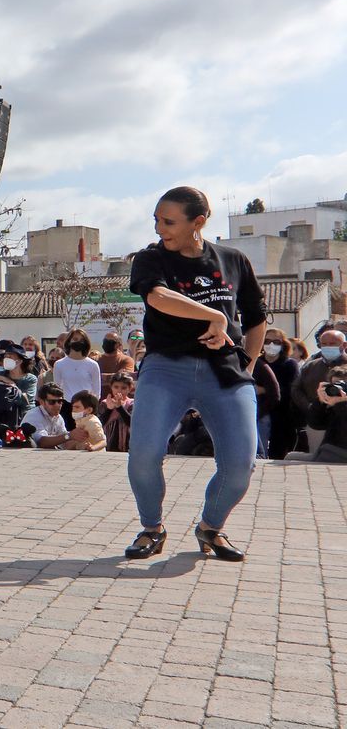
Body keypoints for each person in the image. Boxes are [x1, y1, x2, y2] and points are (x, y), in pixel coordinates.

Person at [124, 186, 265, 563]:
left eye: (168, 221)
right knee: (143, 455)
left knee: (240, 465)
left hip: (226, 373)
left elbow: (256, 319)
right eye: (156, 219)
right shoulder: (150, 258)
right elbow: (157, 297)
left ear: (198, 222)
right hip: (165, 368)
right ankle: (151, 528)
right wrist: (215, 316)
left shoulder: (233, 260)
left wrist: (248, 364)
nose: (159, 228)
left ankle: (210, 528)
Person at [291, 329, 343, 447]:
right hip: (316, 422)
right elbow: (296, 389)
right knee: (318, 459)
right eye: (324, 344)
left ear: (344, 345)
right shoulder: (311, 366)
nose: (328, 347)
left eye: (332, 344)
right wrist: (310, 407)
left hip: (343, 422)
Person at [0, 344, 37, 436]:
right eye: (5, 356)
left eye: (10, 356)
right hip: (2, 415)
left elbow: (26, 400)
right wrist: (4, 379)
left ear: (19, 361)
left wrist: (13, 387)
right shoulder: (2, 374)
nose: (6, 359)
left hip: (23, 416)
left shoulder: (30, 378)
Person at [259, 330, 300, 458]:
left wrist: (264, 390)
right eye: (267, 341)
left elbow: (290, 389)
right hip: (260, 410)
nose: (271, 345)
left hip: (282, 413)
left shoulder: (290, 364)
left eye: (276, 342)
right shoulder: (256, 362)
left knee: (278, 452)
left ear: (283, 345)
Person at [307, 368, 347, 463]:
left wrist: (339, 404)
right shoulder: (333, 401)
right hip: (330, 452)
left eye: (343, 385)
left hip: (340, 453)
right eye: (335, 385)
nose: (338, 389)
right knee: (290, 456)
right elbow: (316, 424)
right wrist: (320, 402)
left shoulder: (338, 404)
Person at [53, 330, 102, 405]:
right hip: (66, 405)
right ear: (69, 341)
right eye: (75, 339)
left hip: (86, 406)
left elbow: (97, 392)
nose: (78, 342)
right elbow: (57, 388)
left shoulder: (93, 365)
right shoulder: (59, 364)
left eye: (82, 340)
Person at [24, 384, 70, 449]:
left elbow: (65, 442)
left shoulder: (59, 417)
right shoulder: (34, 415)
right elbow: (42, 441)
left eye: (60, 401)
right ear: (42, 402)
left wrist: (80, 444)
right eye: (52, 402)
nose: (57, 405)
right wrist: (69, 436)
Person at [99, 373, 134, 452]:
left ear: (130, 388)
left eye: (123, 388)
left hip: (127, 444)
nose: (119, 390)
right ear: (111, 387)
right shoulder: (105, 403)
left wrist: (119, 408)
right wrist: (109, 409)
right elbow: (100, 423)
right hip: (108, 443)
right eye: (116, 387)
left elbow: (131, 423)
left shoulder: (132, 404)